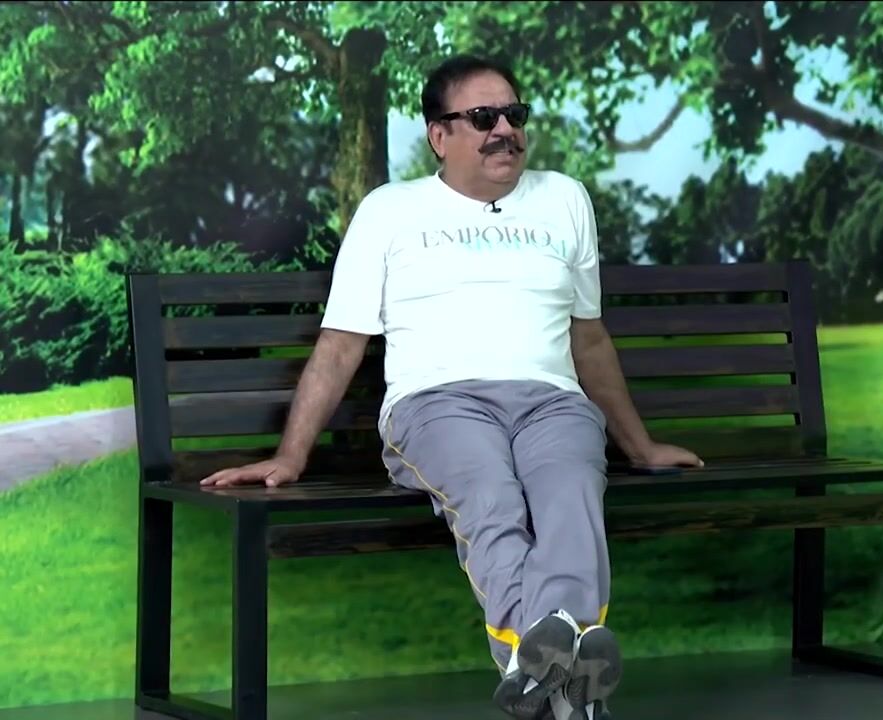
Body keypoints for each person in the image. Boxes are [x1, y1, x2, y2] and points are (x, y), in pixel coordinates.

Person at [198, 54, 704, 720]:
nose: (505, 130)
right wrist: (291, 456)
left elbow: (588, 338)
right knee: (490, 498)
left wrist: (639, 446)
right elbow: (341, 344)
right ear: (439, 135)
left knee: (572, 495)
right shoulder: (390, 211)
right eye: (483, 117)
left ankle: (542, 681)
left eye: (514, 115)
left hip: (552, 403)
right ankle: (567, 682)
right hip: (438, 405)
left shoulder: (564, 199)